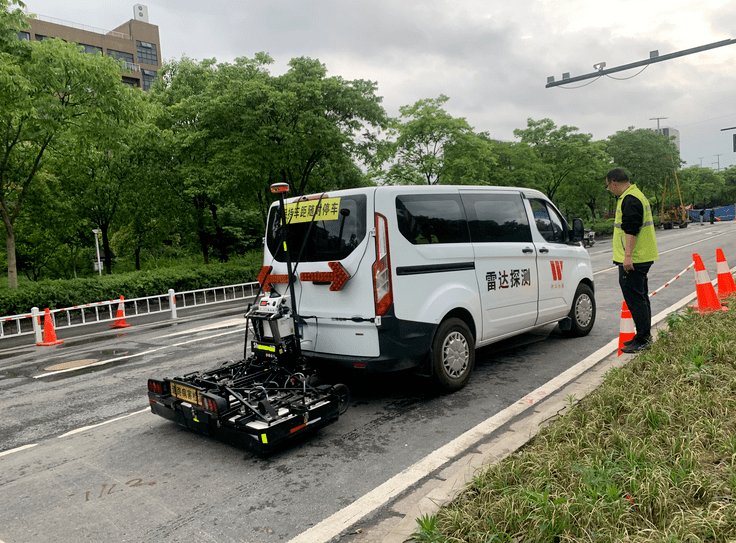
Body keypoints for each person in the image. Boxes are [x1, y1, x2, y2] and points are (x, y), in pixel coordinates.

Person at [606, 168, 659, 353]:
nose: (610, 190)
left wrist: (628, 256)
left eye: (608, 187)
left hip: (634, 259)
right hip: (641, 257)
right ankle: (642, 335)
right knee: (640, 297)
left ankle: (643, 338)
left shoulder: (630, 199)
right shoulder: (635, 195)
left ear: (614, 183)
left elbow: (631, 229)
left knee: (635, 298)